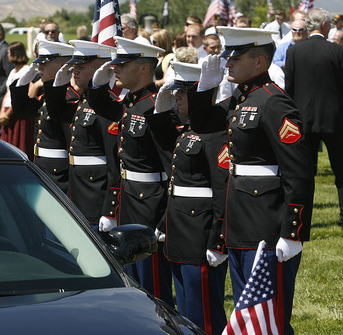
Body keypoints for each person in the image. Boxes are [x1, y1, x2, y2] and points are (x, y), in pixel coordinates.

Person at [188, 27, 314, 335]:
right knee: (248, 316)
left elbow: (299, 170)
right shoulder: (240, 100)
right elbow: (204, 126)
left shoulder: (274, 103)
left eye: (236, 57)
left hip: (267, 226)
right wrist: (204, 88)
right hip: (241, 221)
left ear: (259, 61)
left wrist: (293, 231)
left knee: (270, 317)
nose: (227, 63)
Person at [88, 36, 173, 307]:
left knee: (153, 287)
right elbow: (100, 105)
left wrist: (163, 219)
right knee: (133, 281)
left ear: (144, 68)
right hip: (130, 200)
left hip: (150, 204)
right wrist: (98, 85)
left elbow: (171, 167)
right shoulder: (132, 103)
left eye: (123, 64)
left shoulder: (154, 107)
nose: (116, 68)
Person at [150, 61, 229, 335]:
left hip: (200, 234)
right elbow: (172, 170)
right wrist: (160, 111)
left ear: (199, 93)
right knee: (183, 311)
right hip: (180, 231)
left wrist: (218, 238)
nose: (177, 97)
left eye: (184, 92)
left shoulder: (216, 132)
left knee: (204, 313)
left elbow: (222, 189)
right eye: (176, 92)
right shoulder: (188, 129)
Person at [43, 40, 120, 229]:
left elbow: (114, 163)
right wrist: (57, 86)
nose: (75, 71)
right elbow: (57, 113)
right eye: (74, 66)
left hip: (95, 196)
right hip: (77, 192)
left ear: (102, 69)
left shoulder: (108, 106)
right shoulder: (83, 101)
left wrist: (110, 210)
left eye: (82, 66)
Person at [285, 8, 343, 228]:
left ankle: (303, 219)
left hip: (303, 120)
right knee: (341, 172)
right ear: (325, 25)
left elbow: (288, 89)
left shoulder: (294, 52)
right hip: (335, 121)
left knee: (303, 174)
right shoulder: (337, 51)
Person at [10, 41, 77, 194]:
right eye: (39, 63)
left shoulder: (70, 98)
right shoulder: (46, 98)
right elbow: (21, 108)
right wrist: (23, 82)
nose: (40, 68)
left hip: (59, 173)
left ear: (63, 65)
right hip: (42, 166)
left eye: (45, 63)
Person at [0, 41, 34, 159]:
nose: (8, 54)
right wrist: (2, 113)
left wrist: (7, 115)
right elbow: (8, 92)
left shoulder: (26, 70)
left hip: (17, 113)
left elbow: (22, 96)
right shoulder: (13, 71)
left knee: (20, 144)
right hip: (7, 111)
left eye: (9, 52)